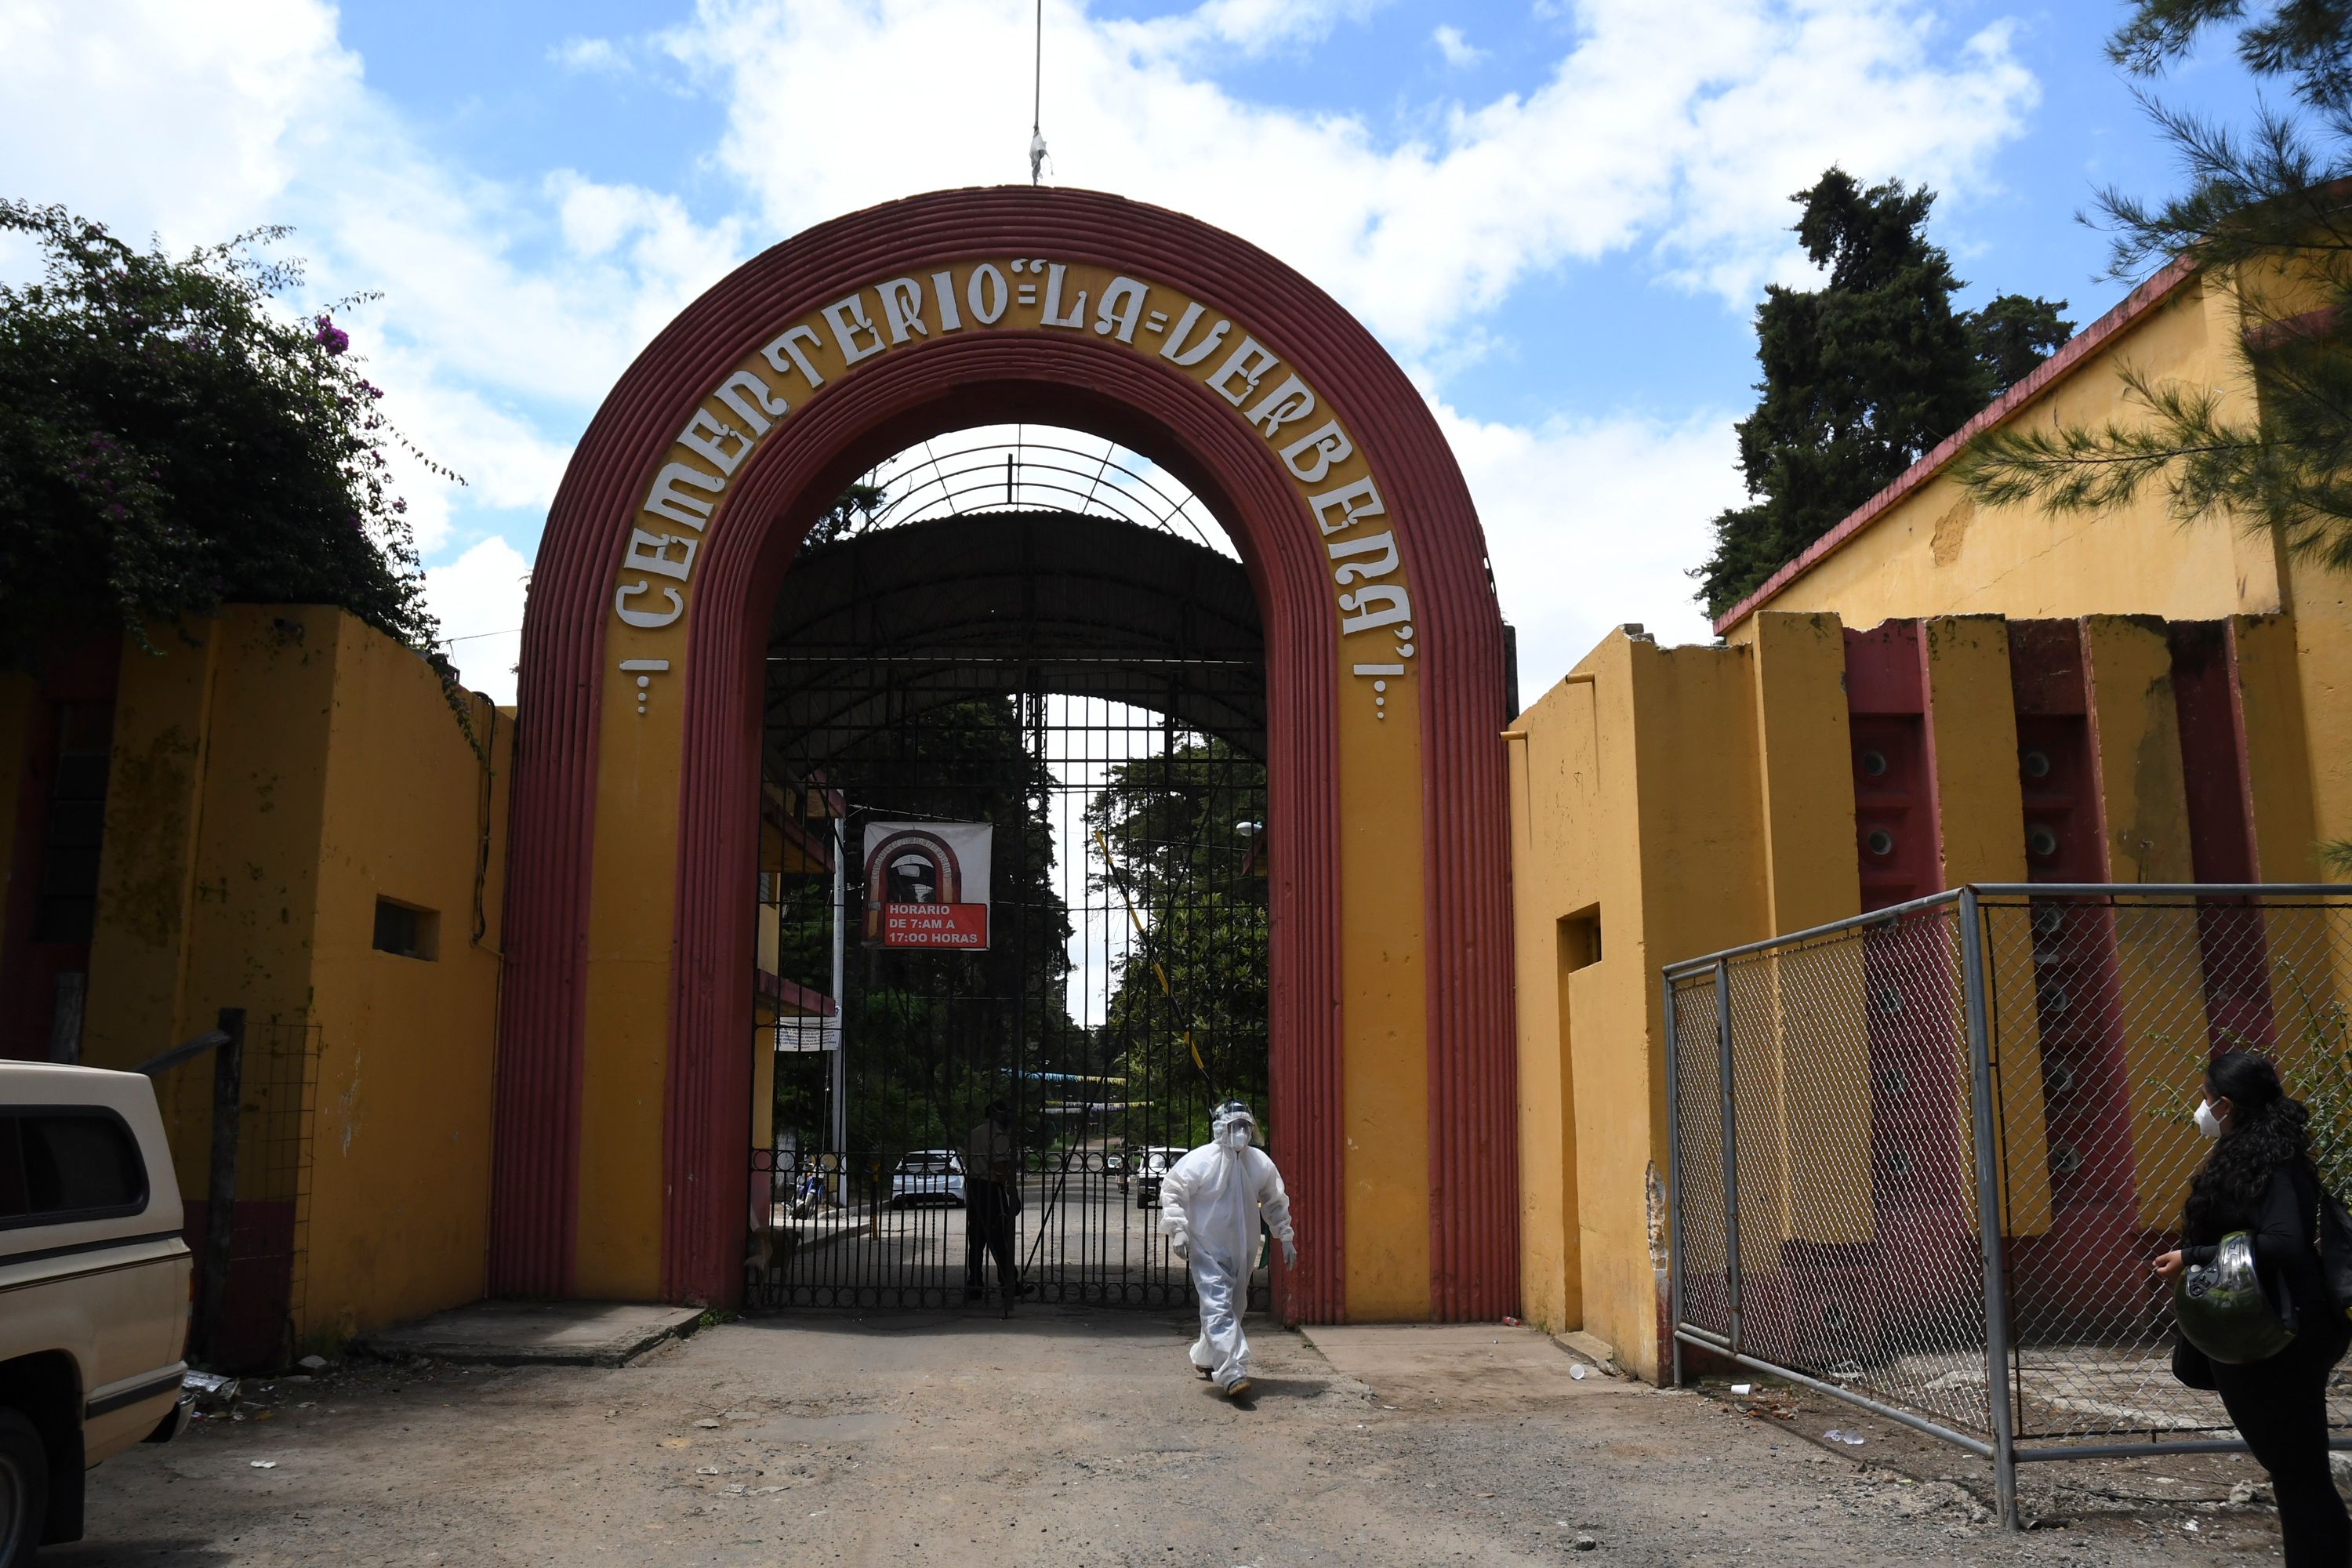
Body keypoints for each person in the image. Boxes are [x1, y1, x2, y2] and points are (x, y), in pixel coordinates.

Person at [2154, 1051, 2350, 1567]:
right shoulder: (2249, 1155)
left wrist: (2192, 1257)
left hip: (2276, 1335)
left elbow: (2284, 1242)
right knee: (2296, 1471)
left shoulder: (2273, 1165)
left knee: (2298, 1472)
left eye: (2205, 1098)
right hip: (2262, 1333)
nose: (2201, 1108)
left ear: (2227, 1104)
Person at [1160, 1099, 1294, 1399]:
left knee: (1234, 1306)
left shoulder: (1258, 1162)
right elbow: (1173, 1190)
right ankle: (1232, 1372)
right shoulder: (1201, 1160)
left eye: (1246, 1127)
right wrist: (1179, 1229)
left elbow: (1274, 1200)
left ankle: (1207, 1356)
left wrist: (1284, 1236)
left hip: (1243, 1249)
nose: (1242, 1133)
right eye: (1236, 1126)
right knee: (1217, 1305)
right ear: (1222, 1127)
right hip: (1207, 1245)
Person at [960, 1100, 1023, 1302]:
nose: (1009, 1118)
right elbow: (1000, 1166)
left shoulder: (975, 1132)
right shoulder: (998, 1135)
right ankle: (1009, 1283)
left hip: (974, 1188)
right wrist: (1010, 1190)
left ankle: (975, 1283)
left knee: (977, 1238)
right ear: (998, 1114)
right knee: (1000, 1238)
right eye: (1007, 1113)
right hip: (991, 1189)